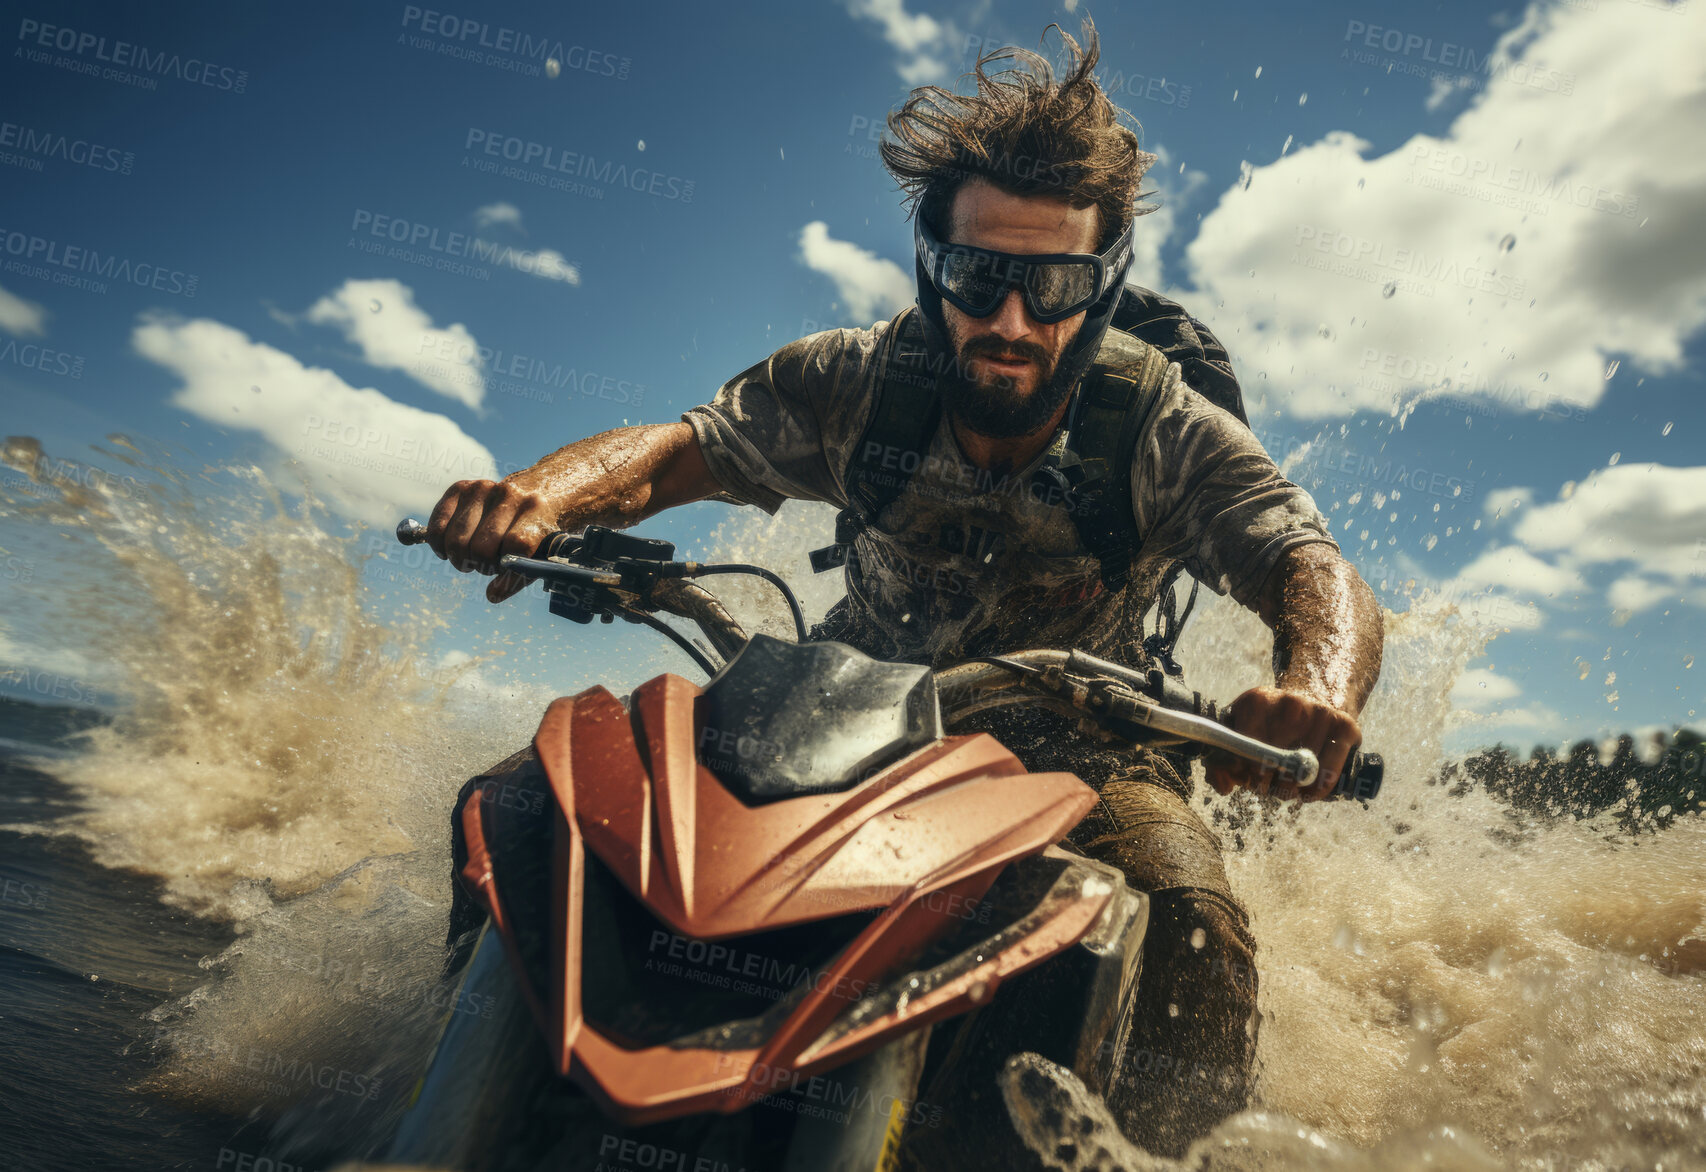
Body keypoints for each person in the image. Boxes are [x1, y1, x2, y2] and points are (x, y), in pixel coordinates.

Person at [426, 22, 1382, 1158]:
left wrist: (1313, 688)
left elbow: (1306, 562)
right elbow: (677, 450)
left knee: (1190, 912)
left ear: (1101, 281)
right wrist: (537, 496)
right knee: (530, 802)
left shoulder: (1159, 423)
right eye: (980, 277)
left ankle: (1177, 1148)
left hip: (1080, 729)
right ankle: (457, 1076)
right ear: (937, 264)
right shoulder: (858, 377)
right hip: (844, 698)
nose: (1010, 319)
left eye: (1054, 283)